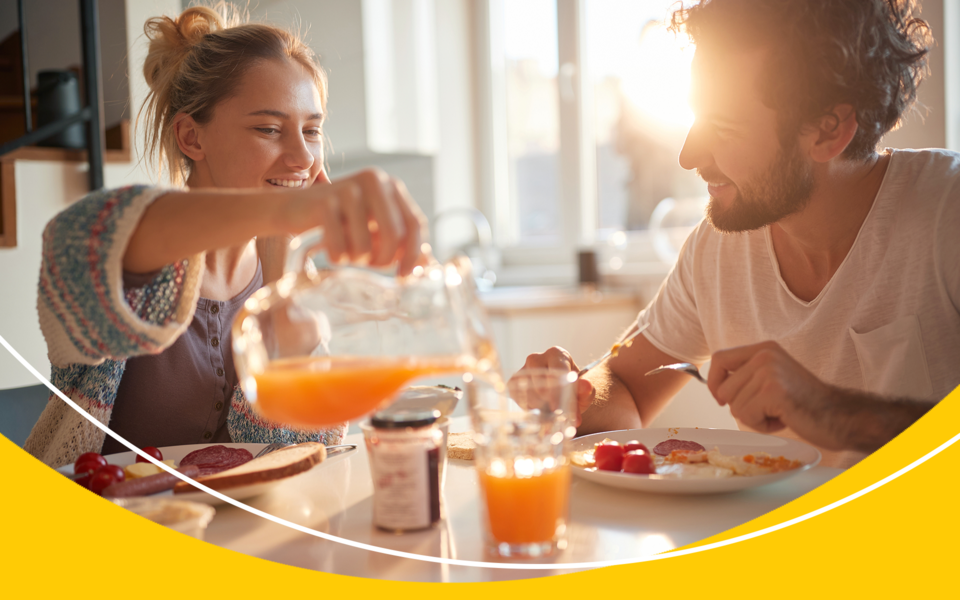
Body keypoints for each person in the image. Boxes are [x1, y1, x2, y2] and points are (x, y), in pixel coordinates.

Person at [518, 0, 960, 468]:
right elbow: (623, 383)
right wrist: (574, 395)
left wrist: (836, 412)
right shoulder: (717, 249)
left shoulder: (945, 212)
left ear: (827, 130)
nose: (689, 157)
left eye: (724, 127)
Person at [24, 4, 427, 468]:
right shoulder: (136, 259)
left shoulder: (293, 274)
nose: (302, 158)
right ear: (192, 138)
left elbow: (300, 455)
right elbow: (78, 238)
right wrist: (287, 207)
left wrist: (281, 281)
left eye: (312, 130)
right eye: (269, 129)